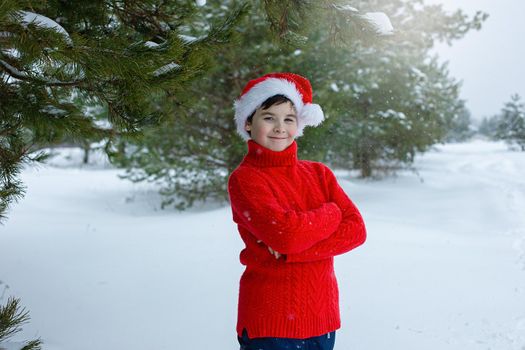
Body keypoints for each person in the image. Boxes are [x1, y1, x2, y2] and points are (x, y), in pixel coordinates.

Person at [227, 72, 367, 350]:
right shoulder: (246, 179)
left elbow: (356, 231)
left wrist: (292, 253)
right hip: (271, 323)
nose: (280, 127)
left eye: (288, 119)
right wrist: (331, 213)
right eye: (269, 117)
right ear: (248, 122)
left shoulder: (319, 174)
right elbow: (286, 236)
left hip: (322, 320)